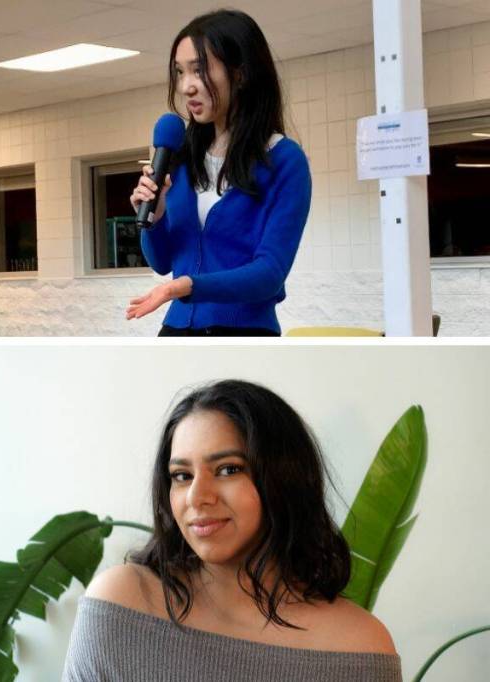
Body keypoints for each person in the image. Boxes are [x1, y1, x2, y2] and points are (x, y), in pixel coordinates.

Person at [62, 380, 402, 681]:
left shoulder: (360, 647)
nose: (197, 496)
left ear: (284, 478)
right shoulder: (122, 604)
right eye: (182, 475)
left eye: (227, 469)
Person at [126, 10, 311, 336]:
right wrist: (153, 218)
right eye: (180, 72)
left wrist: (181, 288)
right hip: (177, 332)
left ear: (240, 73)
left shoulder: (284, 161)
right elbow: (162, 262)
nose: (186, 87)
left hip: (245, 336)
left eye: (199, 70)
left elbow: (269, 274)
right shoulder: (180, 158)